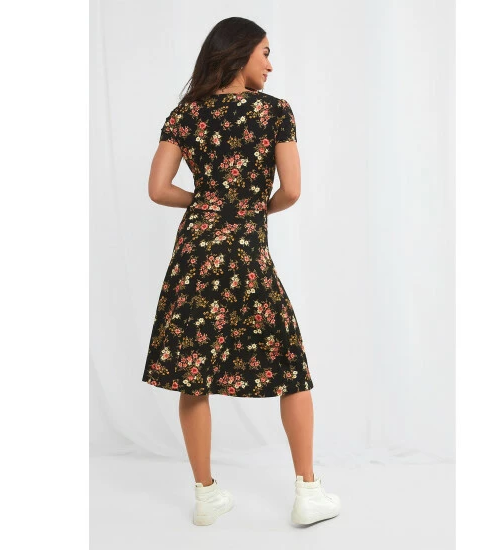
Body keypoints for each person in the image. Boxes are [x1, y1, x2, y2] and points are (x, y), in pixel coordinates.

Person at [141, 17, 341, 526]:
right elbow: (291, 190)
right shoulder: (274, 112)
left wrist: (207, 202)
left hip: (194, 254)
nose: (270, 65)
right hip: (247, 255)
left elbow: (158, 189)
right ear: (240, 52)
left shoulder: (186, 114)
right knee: (290, 364)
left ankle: (205, 497)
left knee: (193, 373)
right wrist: (251, 209)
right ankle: (308, 491)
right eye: (265, 52)